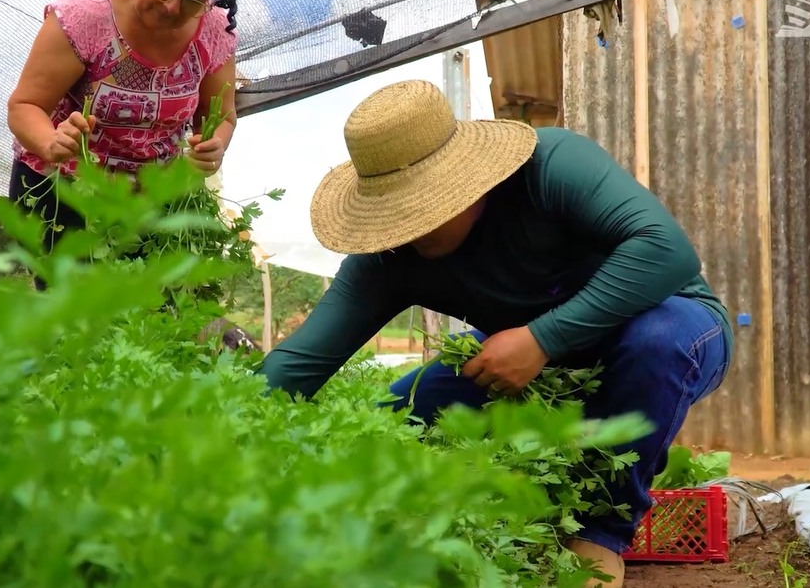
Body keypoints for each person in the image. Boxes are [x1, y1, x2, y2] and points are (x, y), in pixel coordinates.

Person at [258, 80, 733, 588]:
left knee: (658, 341)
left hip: (668, 331)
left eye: (424, 207)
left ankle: (600, 535)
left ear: (471, 181)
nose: (412, 229)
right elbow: (296, 366)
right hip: (525, 369)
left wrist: (543, 339)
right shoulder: (389, 258)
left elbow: (667, 252)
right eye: (395, 215)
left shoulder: (551, 167)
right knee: (392, 420)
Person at [5, 0, 240, 289]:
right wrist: (49, 142)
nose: (172, 6)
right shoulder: (85, 16)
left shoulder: (214, 30)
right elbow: (24, 106)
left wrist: (214, 144)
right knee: (72, 316)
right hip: (67, 191)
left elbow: (222, 117)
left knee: (147, 313)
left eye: (192, 0)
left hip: (153, 197)